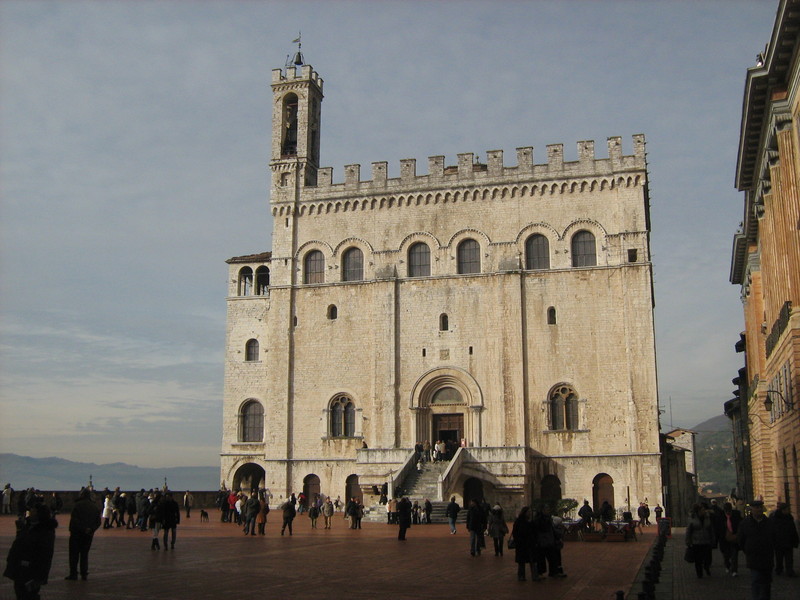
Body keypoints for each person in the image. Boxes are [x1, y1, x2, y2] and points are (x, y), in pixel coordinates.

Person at [3, 503, 57, 599]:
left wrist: (39, 578)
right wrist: (19, 530)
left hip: (31, 571)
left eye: (33, 510)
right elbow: (19, 544)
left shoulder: (44, 531)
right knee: (20, 593)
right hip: (21, 569)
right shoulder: (28, 526)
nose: (30, 512)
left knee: (28, 595)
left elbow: (45, 555)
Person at [738, 500, 776, 600]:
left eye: (760, 507)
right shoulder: (745, 523)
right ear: (752, 509)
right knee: (756, 580)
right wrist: (748, 550)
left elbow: (774, 538)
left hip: (767, 556)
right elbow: (741, 540)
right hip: (753, 557)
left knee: (767, 582)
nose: (759, 509)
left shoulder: (769, 523)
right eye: (756, 508)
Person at [65, 488, 101, 581]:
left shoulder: (77, 505)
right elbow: (98, 521)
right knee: (84, 554)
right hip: (88, 534)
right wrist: (91, 529)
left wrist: (83, 528)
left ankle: (73, 573)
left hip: (76, 533)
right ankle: (84, 573)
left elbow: (74, 520)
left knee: (74, 554)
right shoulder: (94, 507)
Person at [686, 503, 716, 578]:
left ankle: (706, 567)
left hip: (706, 541)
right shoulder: (692, 518)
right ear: (698, 511)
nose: (704, 511)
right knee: (698, 559)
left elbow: (710, 529)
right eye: (702, 510)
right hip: (696, 542)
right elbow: (689, 531)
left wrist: (713, 539)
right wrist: (688, 541)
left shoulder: (707, 517)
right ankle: (699, 573)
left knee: (707, 558)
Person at [770, 502, 798, 577]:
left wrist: (795, 540)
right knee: (779, 557)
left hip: (788, 541)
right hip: (779, 542)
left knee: (789, 558)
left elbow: (793, 530)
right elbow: (772, 531)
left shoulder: (789, 517)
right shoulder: (775, 518)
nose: (788, 511)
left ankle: (789, 570)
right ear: (782, 510)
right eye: (786, 509)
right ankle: (779, 569)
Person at [512, 506, 540, 581]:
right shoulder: (519, 521)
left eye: (530, 512)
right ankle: (521, 576)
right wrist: (518, 541)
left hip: (531, 544)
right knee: (522, 562)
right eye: (528, 512)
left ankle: (535, 576)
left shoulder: (531, 522)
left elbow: (535, 532)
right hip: (522, 544)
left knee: (533, 560)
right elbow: (515, 532)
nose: (530, 513)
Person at [720, 501, 742, 577]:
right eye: (727, 512)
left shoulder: (736, 514)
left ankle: (734, 570)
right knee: (726, 555)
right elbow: (718, 528)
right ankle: (727, 565)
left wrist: (738, 534)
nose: (728, 513)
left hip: (734, 538)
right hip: (724, 539)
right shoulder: (721, 516)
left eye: (729, 511)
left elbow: (741, 524)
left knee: (734, 555)